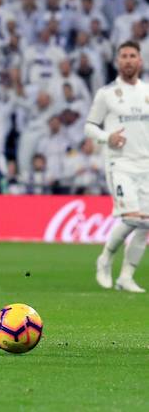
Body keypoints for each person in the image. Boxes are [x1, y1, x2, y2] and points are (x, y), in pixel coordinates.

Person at [86, 41, 149, 293]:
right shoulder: (107, 94)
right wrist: (107, 137)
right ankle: (105, 258)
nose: (128, 60)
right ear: (117, 61)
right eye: (124, 56)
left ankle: (126, 276)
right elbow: (90, 126)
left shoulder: (147, 91)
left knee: (145, 223)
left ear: (140, 61)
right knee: (132, 217)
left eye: (133, 55)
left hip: (146, 165)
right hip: (120, 164)